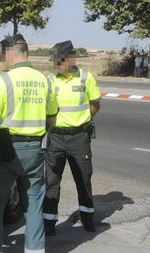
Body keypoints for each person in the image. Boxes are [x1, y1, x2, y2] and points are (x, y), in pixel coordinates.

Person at [0, 34, 58, 253]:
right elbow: (52, 118)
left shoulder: (3, 82)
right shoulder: (44, 81)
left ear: (12, 53)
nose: (2, 60)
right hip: (35, 150)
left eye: (3, 55)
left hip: (5, 151)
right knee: (33, 204)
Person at [43, 40, 101, 235]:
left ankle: (87, 219)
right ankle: (49, 223)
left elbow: (95, 104)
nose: (56, 64)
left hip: (79, 138)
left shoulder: (86, 78)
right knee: (51, 182)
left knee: (83, 179)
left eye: (59, 60)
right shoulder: (50, 80)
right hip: (56, 137)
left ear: (71, 58)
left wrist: (82, 121)